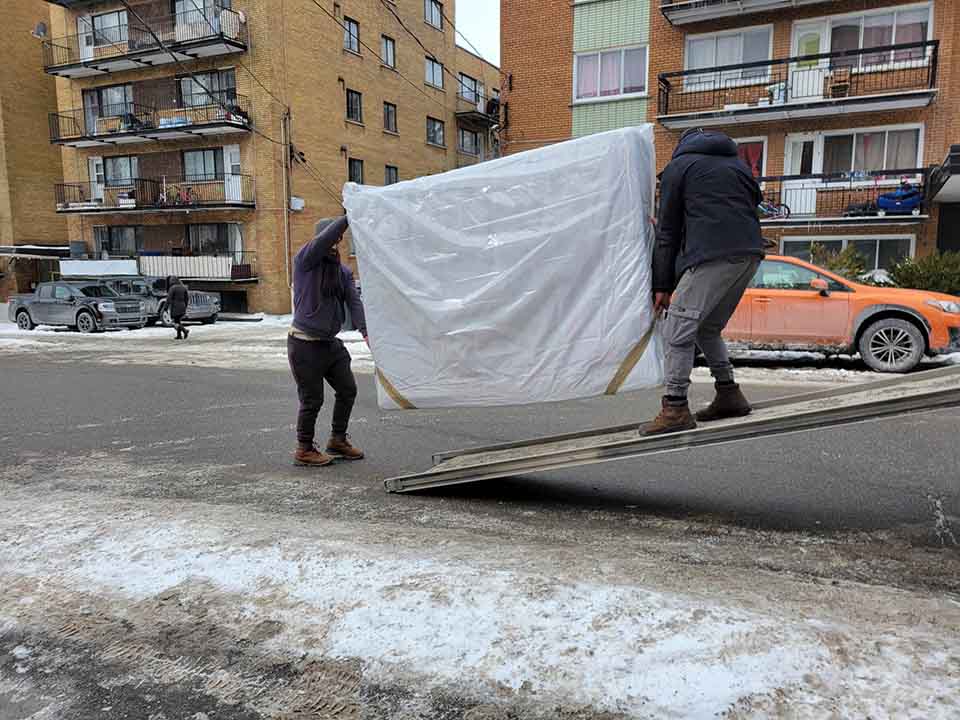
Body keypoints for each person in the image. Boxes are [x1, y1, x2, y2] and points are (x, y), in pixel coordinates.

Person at [642, 128, 766, 436]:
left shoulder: (679, 168)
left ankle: (675, 408)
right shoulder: (738, 166)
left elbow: (668, 233)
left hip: (712, 258)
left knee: (676, 332)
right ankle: (729, 393)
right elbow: (747, 207)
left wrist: (661, 285)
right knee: (708, 328)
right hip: (749, 254)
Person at [288, 215, 368, 467]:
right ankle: (304, 449)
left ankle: (337, 439)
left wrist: (366, 332)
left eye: (339, 241)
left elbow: (354, 302)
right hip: (303, 344)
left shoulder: (342, 272)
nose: (335, 245)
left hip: (329, 344)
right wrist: (349, 216)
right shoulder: (305, 261)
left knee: (348, 389)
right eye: (332, 240)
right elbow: (323, 239)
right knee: (312, 400)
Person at [167, 276, 190, 341]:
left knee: (175, 322)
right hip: (182, 306)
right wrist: (185, 306)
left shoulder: (172, 288)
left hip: (175, 307)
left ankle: (185, 330)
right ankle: (179, 335)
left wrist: (165, 307)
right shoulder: (183, 287)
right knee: (178, 321)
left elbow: (169, 298)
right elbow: (187, 298)